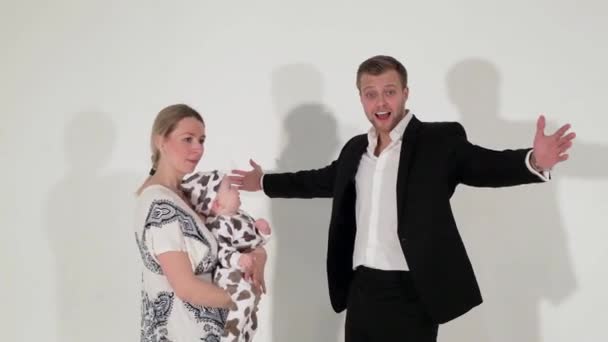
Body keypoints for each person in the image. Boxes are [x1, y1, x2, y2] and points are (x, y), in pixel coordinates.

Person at [230, 55, 576, 341]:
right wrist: (264, 181)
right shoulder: (355, 150)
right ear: (361, 98)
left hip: (413, 289)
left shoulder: (439, 142)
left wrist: (532, 160)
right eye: (371, 94)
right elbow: (319, 181)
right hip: (362, 287)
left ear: (405, 93)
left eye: (389, 92)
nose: (381, 102)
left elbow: (485, 166)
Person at [134, 104, 267, 342]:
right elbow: (186, 287)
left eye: (202, 140)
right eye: (188, 139)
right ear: (160, 141)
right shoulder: (160, 205)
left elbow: (232, 232)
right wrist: (243, 298)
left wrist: (259, 256)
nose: (198, 148)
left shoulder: (188, 195)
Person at [181, 170, 272, 341]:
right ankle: (228, 337)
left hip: (245, 270)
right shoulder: (219, 224)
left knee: (251, 317)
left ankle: (244, 336)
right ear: (217, 204)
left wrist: (263, 231)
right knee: (244, 300)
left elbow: (254, 241)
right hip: (229, 274)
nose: (236, 190)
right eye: (230, 188)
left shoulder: (240, 216)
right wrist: (238, 259)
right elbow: (222, 252)